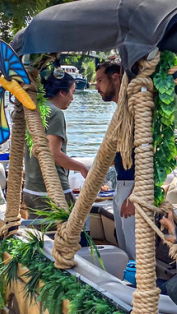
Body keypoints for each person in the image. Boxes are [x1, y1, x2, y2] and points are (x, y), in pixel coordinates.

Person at [22, 70, 88, 217]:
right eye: (72, 92)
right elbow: (54, 154)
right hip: (52, 190)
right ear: (62, 93)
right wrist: (82, 168)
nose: (72, 98)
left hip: (30, 189)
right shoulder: (56, 113)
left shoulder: (34, 109)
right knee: (73, 229)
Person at [96, 59, 137, 257]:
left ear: (115, 78)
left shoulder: (137, 113)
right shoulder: (121, 116)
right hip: (121, 186)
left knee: (135, 250)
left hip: (134, 188)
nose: (96, 87)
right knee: (124, 247)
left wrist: (134, 196)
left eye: (100, 81)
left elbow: (150, 159)